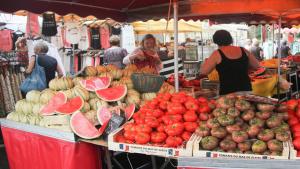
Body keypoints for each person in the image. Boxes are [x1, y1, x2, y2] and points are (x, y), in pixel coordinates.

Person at [200, 30, 260, 95]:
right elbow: (256, 65)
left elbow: (204, 71)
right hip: (246, 90)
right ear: (230, 39)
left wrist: (205, 61)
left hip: (227, 93)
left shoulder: (217, 54)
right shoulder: (243, 50)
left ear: (215, 41)